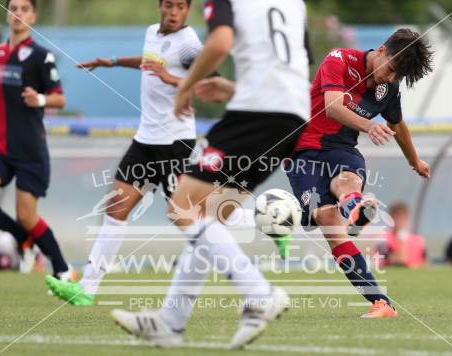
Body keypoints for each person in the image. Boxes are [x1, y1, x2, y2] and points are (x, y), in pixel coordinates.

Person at [111, 0, 311, 349]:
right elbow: (291, 64)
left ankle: (259, 293)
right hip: (291, 117)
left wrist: (186, 85)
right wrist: (234, 89)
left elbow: (219, 43)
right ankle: (170, 322)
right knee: (212, 214)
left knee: (182, 207)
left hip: (255, 114)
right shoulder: (294, 4)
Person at [194, 28, 434, 319]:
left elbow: (398, 125)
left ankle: (380, 300)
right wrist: (369, 126)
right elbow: (333, 107)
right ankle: (351, 209)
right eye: (392, 70)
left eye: (398, 77)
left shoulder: (388, 89)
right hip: (303, 149)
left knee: (346, 183)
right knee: (327, 221)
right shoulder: (340, 59)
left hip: (343, 149)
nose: (390, 78)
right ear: (382, 49)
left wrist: (414, 160)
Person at [45, 0, 203, 306]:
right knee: (116, 209)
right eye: (169, 5)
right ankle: (87, 289)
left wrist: (170, 79)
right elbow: (148, 61)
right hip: (146, 140)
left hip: (175, 142)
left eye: (180, 7)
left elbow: (206, 81)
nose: (174, 12)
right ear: (160, 6)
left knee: (186, 218)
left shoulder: (189, 44)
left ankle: (254, 255)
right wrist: (113, 61)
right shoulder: (151, 33)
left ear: (188, 10)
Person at [0, 0, 74, 281]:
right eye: (13, 8)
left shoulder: (41, 57)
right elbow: (0, 96)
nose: (18, 13)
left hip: (29, 150)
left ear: (33, 17)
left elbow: (60, 98)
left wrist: (39, 98)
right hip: (0, 147)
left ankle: (63, 269)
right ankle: (20, 238)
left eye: (25, 9)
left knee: (27, 215)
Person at [374, 202, 426, 268]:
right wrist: (402, 239)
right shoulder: (384, 240)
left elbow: (426, 263)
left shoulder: (418, 240)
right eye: (398, 218)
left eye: (404, 217)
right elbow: (400, 260)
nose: (401, 221)